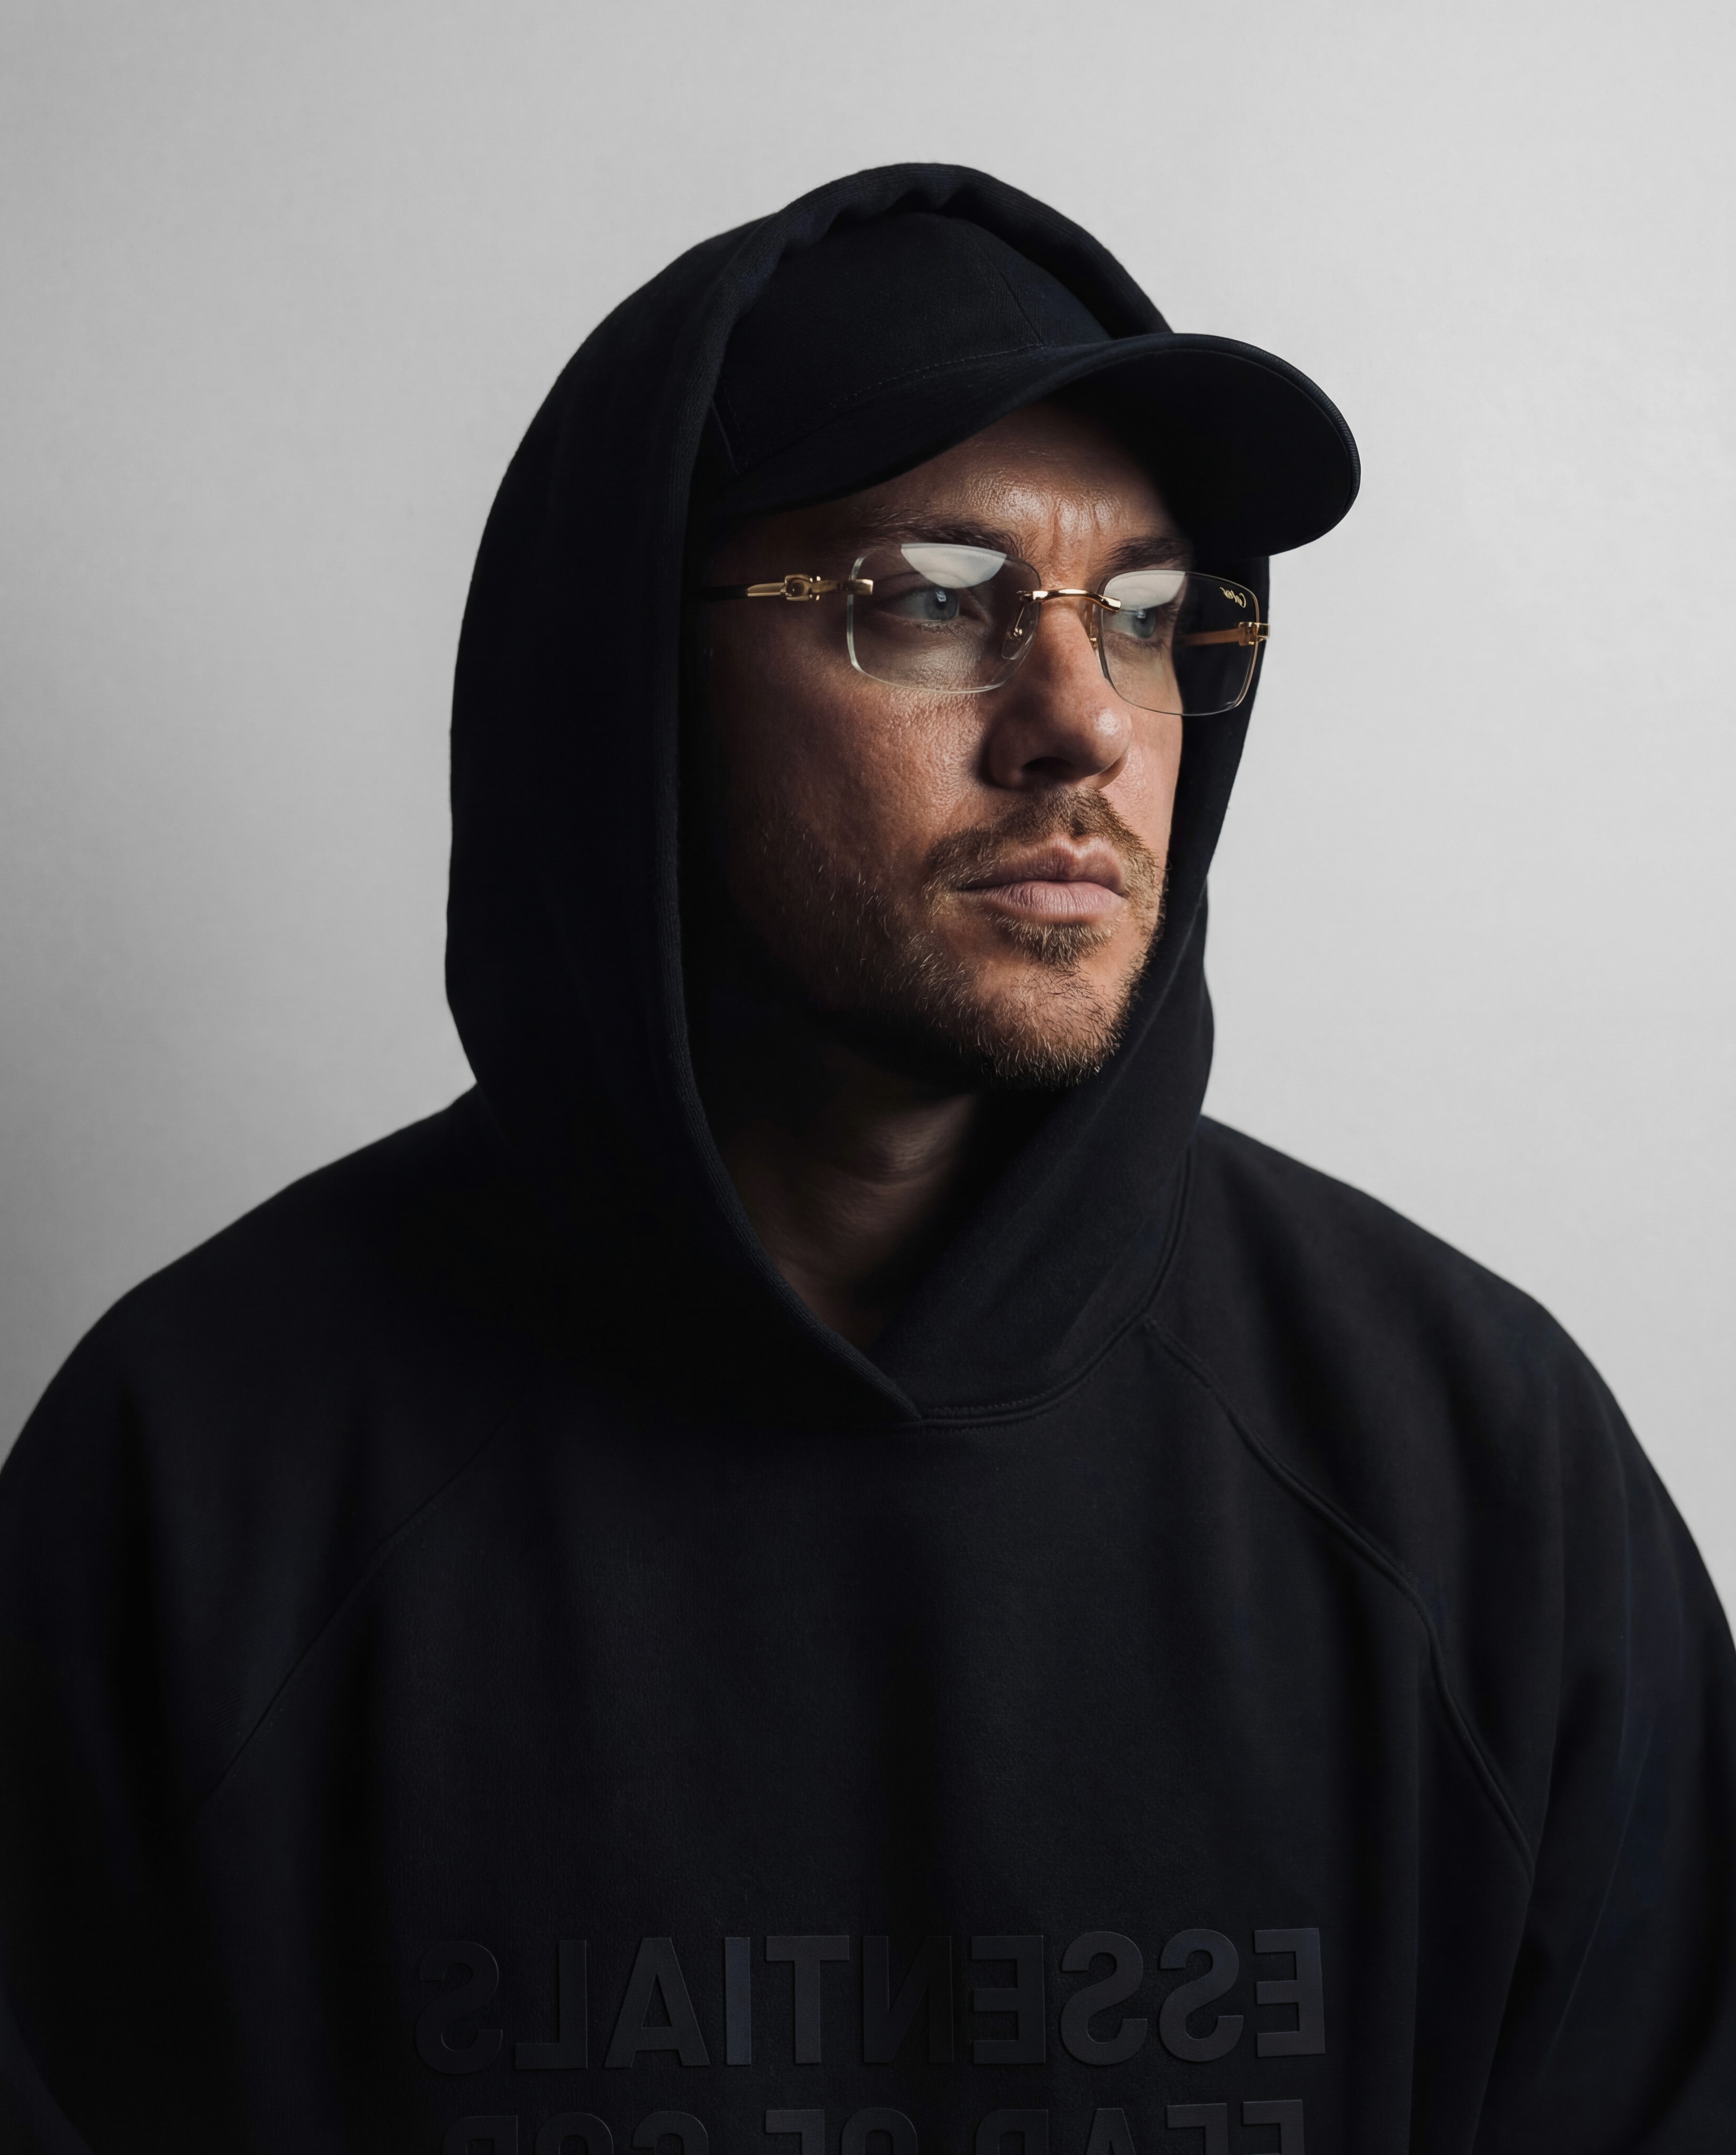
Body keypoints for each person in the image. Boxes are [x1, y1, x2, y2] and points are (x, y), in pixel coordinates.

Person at [0, 164, 1729, 2155]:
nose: (1082, 718)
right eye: (931, 602)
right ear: (629, 678)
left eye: (1153, 616)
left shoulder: (1469, 1474)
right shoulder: (199, 1478)